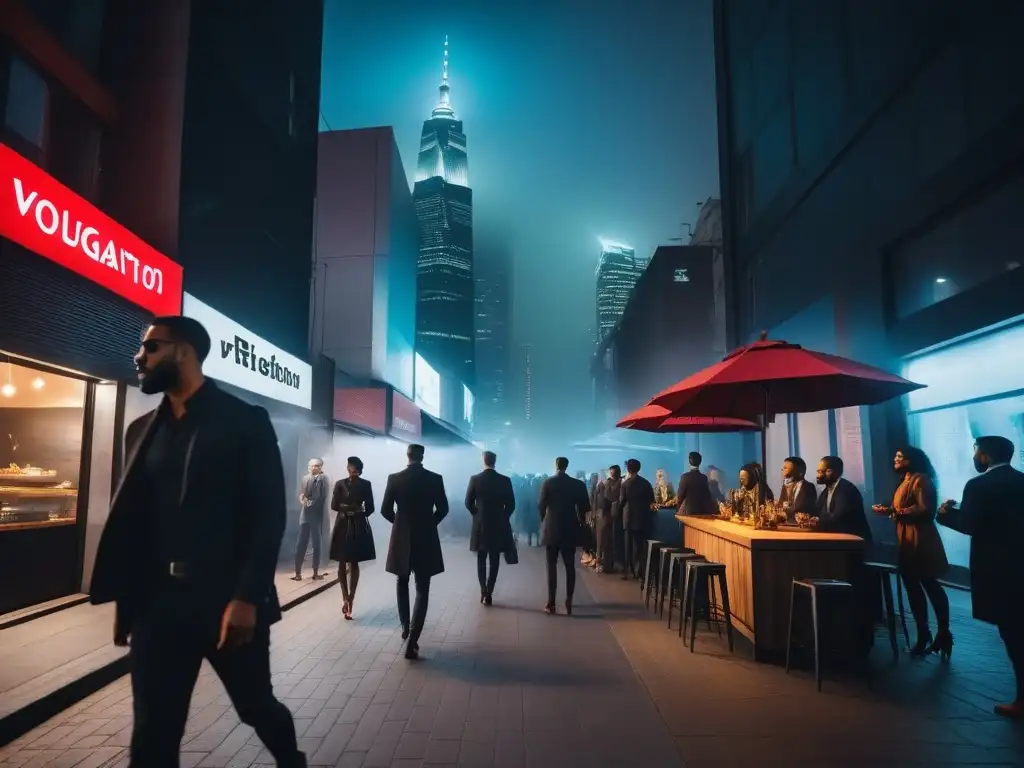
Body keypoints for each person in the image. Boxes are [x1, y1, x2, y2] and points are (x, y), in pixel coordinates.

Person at [89, 316, 304, 768]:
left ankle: (291, 760)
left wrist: (247, 597)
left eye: (150, 348)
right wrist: (127, 603)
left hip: (226, 601)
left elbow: (267, 516)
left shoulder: (245, 421)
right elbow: (135, 523)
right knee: (153, 727)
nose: (139, 357)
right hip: (156, 605)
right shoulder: (141, 430)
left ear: (182, 351)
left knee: (256, 707)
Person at [939, 436, 1024, 719]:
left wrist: (945, 515)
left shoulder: (978, 485)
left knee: (1013, 633)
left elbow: (971, 524)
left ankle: (1023, 700)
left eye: (976, 452)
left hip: (998, 570)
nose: (975, 457)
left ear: (985, 456)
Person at [872, 447, 951, 658]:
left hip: (921, 538)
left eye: (900, 456)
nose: (895, 459)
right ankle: (924, 631)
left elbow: (926, 509)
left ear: (911, 460)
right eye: (895, 456)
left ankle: (942, 632)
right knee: (913, 587)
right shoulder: (906, 479)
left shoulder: (921, 479)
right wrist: (890, 510)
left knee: (928, 584)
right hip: (906, 538)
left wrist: (895, 512)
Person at [381, 443, 448, 660]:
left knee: (402, 582)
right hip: (426, 538)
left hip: (401, 538)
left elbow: (385, 510)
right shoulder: (435, 478)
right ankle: (413, 639)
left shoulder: (394, 478)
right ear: (422, 456)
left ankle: (404, 626)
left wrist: (399, 524)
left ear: (407, 456)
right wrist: (430, 523)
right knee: (422, 588)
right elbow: (443, 509)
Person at [814, 455, 874, 658]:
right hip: (837, 547)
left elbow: (837, 517)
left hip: (854, 549)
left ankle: (851, 633)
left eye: (821, 471)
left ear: (831, 472)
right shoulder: (827, 490)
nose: (818, 474)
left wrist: (815, 520)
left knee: (852, 590)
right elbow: (817, 513)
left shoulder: (846, 489)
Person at [538, 457, 591, 614]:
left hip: (552, 528)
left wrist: (544, 520)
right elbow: (585, 508)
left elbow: (541, 505)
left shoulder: (548, 483)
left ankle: (551, 603)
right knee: (570, 566)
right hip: (570, 528)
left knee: (551, 566)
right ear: (567, 466)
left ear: (556, 466)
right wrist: (581, 523)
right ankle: (569, 601)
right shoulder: (577, 484)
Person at [465, 450, 516, 605]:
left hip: (480, 525)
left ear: (483, 461)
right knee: (494, 560)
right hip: (498, 526)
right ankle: (489, 592)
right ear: (495, 461)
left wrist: (477, 514)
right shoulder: (505, 480)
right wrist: (502, 517)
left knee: (481, 559)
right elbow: (511, 504)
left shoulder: (475, 479)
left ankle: (482, 590)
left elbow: (468, 502)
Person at [329, 456, 376, 620]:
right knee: (342, 561)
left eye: (356, 467)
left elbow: (371, 508)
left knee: (353, 562)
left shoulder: (366, 484)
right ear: (347, 468)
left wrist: (358, 512)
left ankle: (351, 599)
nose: (353, 469)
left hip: (357, 525)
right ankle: (345, 597)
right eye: (351, 466)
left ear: (359, 469)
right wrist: (346, 508)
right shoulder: (339, 484)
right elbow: (334, 504)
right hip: (342, 524)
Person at [293, 458, 329, 582]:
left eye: (317, 466)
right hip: (305, 515)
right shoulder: (305, 478)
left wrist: (307, 502)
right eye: (312, 466)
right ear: (309, 467)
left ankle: (315, 572)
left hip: (316, 515)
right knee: (301, 542)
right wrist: (302, 498)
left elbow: (322, 497)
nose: (314, 468)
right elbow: (302, 493)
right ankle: (298, 573)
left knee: (316, 544)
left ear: (321, 467)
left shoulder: (323, 479)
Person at [620, 458, 655, 581]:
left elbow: (621, 502)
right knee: (640, 547)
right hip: (643, 519)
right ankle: (641, 573)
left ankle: (628, 572)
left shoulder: (625, 484)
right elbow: (652, 500)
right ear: (639, 469)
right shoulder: (646, 483)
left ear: (628, 469)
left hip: (628, 518)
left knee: (628, 547)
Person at [594, 465, 622, 573]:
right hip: (609, 516)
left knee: (602, 541)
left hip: (603, 515)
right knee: (606, 541)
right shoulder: (617, 483)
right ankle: (606, 565)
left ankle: (602, 564)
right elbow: (612, 497)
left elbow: (597, 498)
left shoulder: (604, 483)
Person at [677, 451, 717, 516]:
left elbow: (680, 496)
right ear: (700, 462)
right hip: (702, 512)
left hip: (689, 512)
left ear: (689, 461)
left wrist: (677, 510)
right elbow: (707, 496)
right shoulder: (704, 478)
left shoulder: (685, 477)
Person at [779, 456, 816, 521]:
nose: (784, 473)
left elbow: (802, 508)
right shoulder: (785, 486)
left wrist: (786, 512)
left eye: (786, 469)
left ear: (800, 472)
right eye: (783, 469)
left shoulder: (809, 487)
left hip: (801, 524)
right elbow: (781, 505)